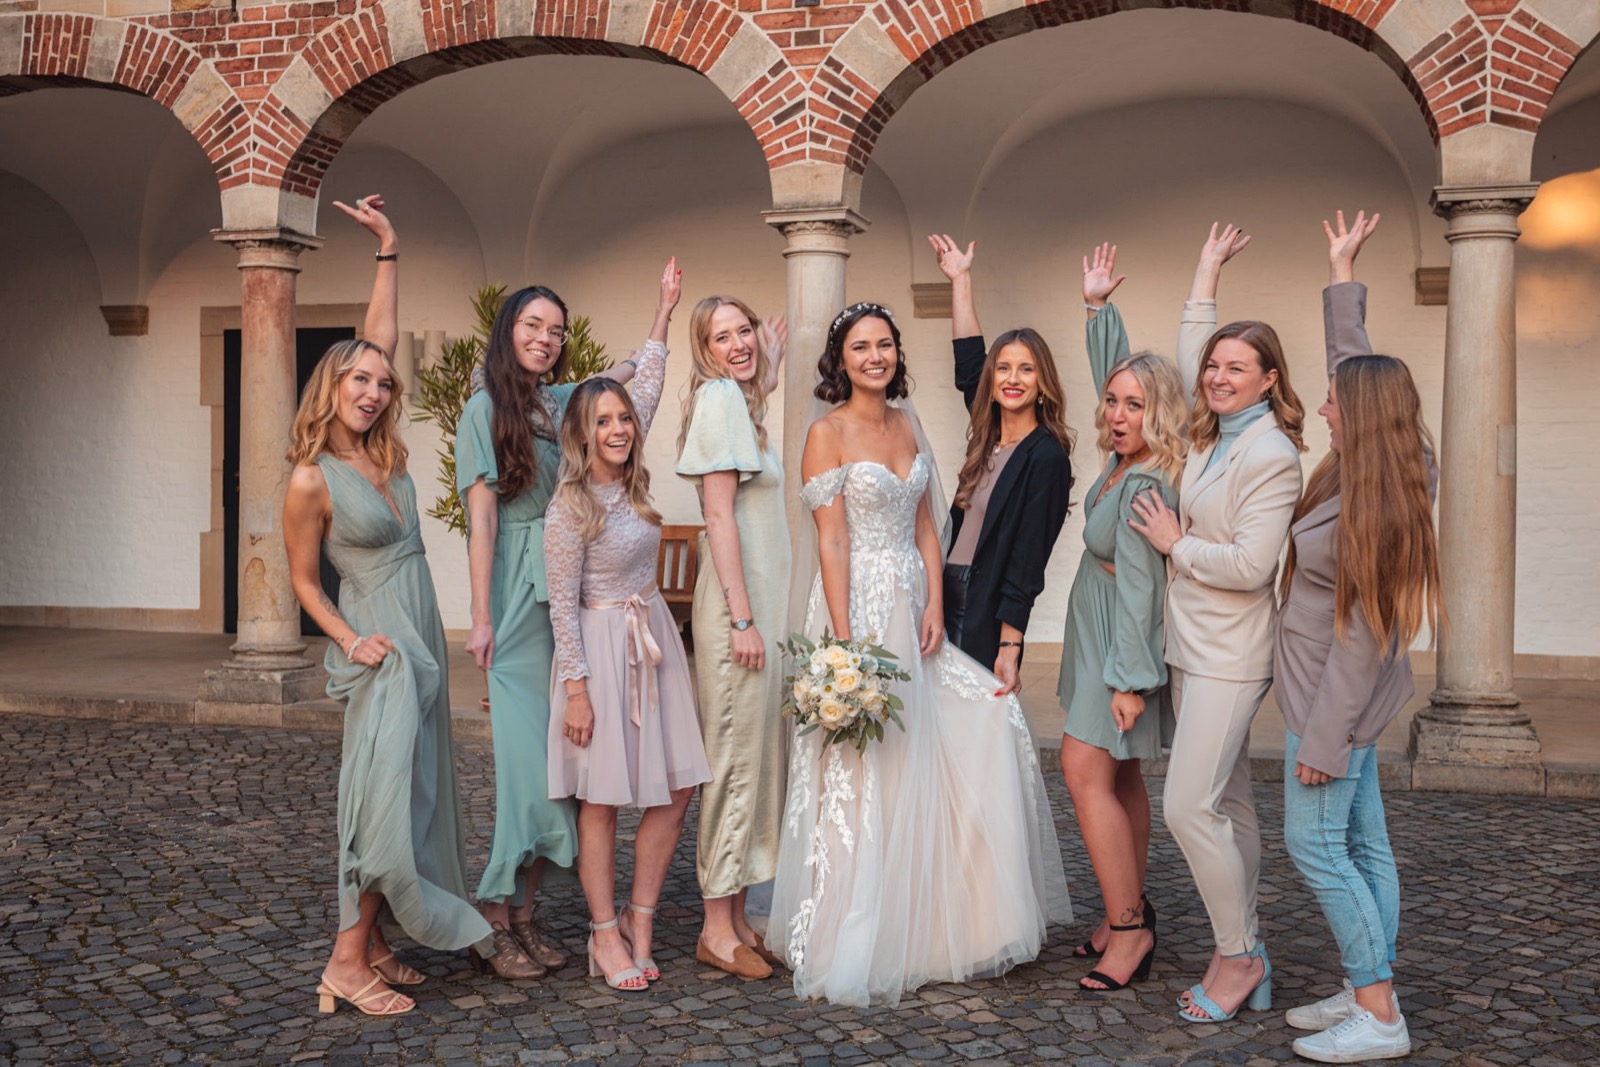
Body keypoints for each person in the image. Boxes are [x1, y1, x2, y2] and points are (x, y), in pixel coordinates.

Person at [769, 302, 1071, 1008]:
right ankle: (859, 919)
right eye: (859, 346)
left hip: (915, 603)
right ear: (840, 359)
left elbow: (929, 525)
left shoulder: (907, 422)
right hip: (858, 607)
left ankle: (941, 920)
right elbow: (832, 539)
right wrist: (845, 646)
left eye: (884, 345)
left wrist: (935, 602)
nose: (873, 356)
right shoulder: (826, 432)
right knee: (867, 757)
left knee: (962, 732)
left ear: (897, 353)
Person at [283, 196, 492, 1015]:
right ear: (328, 389)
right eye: (356, 381)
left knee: (417, 790)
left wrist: (389, 251)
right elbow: (302, 580)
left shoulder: (383, 452)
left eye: (380, 382)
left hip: (421, 632)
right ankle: (344, 959)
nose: (371, 391)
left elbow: (382, 332)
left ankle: (376, 938)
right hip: (380, 644)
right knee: (382, 798)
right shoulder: (310, 478)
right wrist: (349, 638)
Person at [456, 264, 671, 979]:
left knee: (562, 773)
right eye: (531, 326)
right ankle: (494, 915)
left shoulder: (558, 402)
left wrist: (662, 316)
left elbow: (626, 381)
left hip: (570, 599)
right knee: (526, 769)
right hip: (519, 601)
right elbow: (480, 518)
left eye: (554, 330)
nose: (544, 339)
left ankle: (527, 915)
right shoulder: (481, 407)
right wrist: (482, 616)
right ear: (506, 331)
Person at [1125, 224, 1306, 1023]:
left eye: (1239, 367)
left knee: (1185, 805)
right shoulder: (1208, 433)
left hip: (1234, 654)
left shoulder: (1272, 455)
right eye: (1215, 366)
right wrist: (1205, 271)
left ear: (1270, 380)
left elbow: (1252, 566)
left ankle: (1238, 955)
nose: (1220, 376)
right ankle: (1251, 948)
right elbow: (1194, 345)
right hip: (1190, 649)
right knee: (1229, 807)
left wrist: (1175, 543)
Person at [1276, 211, 1436, 1063]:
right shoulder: (1397, 461)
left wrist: (1324, 741)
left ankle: (1378, 1012)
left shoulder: (1375, 499)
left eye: (1336, 399)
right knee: (1364, 841)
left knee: (1314, 844)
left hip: (1332, 700)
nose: (1325, 404)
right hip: (1347, 700)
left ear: (1362, 415)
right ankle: (1367, 980)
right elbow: (1357, 366)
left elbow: (1364, 635)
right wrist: (1342, 274)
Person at [545, 360, 714, 993]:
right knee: (604, 797)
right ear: (582, 434)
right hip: (599, 650)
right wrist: (577, 691)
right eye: (603, 421)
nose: (617, 428)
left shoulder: (635, 489)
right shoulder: (569, 507)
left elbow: (646, 387)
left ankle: (638, 919)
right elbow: (562, 607)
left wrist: (664, 316)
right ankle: (602, 932)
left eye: (624, 418)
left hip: (653, 645)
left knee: (676, 788)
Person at [1058, 243, 1189, 992]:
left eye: (1135, 405)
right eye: (1111, 402)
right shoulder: (1122, 455)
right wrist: (1097, 309)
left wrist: (1131, 679)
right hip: (1098, 632)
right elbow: (1122, 375)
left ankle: (1130, 932)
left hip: (1120, 644)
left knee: (1084, 771)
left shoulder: (1145, 483)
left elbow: (1141, 587)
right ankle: (1123, 907)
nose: (1116, 413)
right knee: (1124, 773)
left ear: (1160, 413)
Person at [674, 296, 790, 980]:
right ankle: (715, 927)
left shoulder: (741, 406)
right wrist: (743, 619)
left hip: (763, 608)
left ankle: (739, 916)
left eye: (744, 329)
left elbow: (755, 390)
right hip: (737, 613)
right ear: (705, 350)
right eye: (722, 336)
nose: (740, 342)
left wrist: (766, 367)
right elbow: (719, 515)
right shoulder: (719, 399)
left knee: (757, 757)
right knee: (734, 765)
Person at [926, 235, 1074, 695]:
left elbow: (1029, 560)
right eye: (1005, 369)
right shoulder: (987, 432)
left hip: (982, 600)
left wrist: (1011, 643)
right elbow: (970, 365)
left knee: (975, 720)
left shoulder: (1046, 456)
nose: (1013, 379)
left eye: (1027, 369)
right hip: (942, 590)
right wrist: (960, 279)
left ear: (1044, 383)